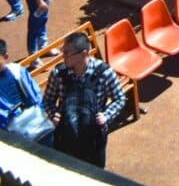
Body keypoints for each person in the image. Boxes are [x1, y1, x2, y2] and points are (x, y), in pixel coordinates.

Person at [43, 30, 126, 167]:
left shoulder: (104, 72)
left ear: (84, 54)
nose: (63, 57)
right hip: (66, 134)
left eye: (67, 54)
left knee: (95, 174)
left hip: (93, 135)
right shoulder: (58, 73)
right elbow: (48, 100)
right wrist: (53, 115)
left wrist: (106, 116)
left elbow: (120, 98)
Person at [0, 37, 50, 141]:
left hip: (35, 122)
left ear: (6, 57)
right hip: (11, 133)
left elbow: (35, 95)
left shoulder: (18, 71)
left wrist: (41, 113)